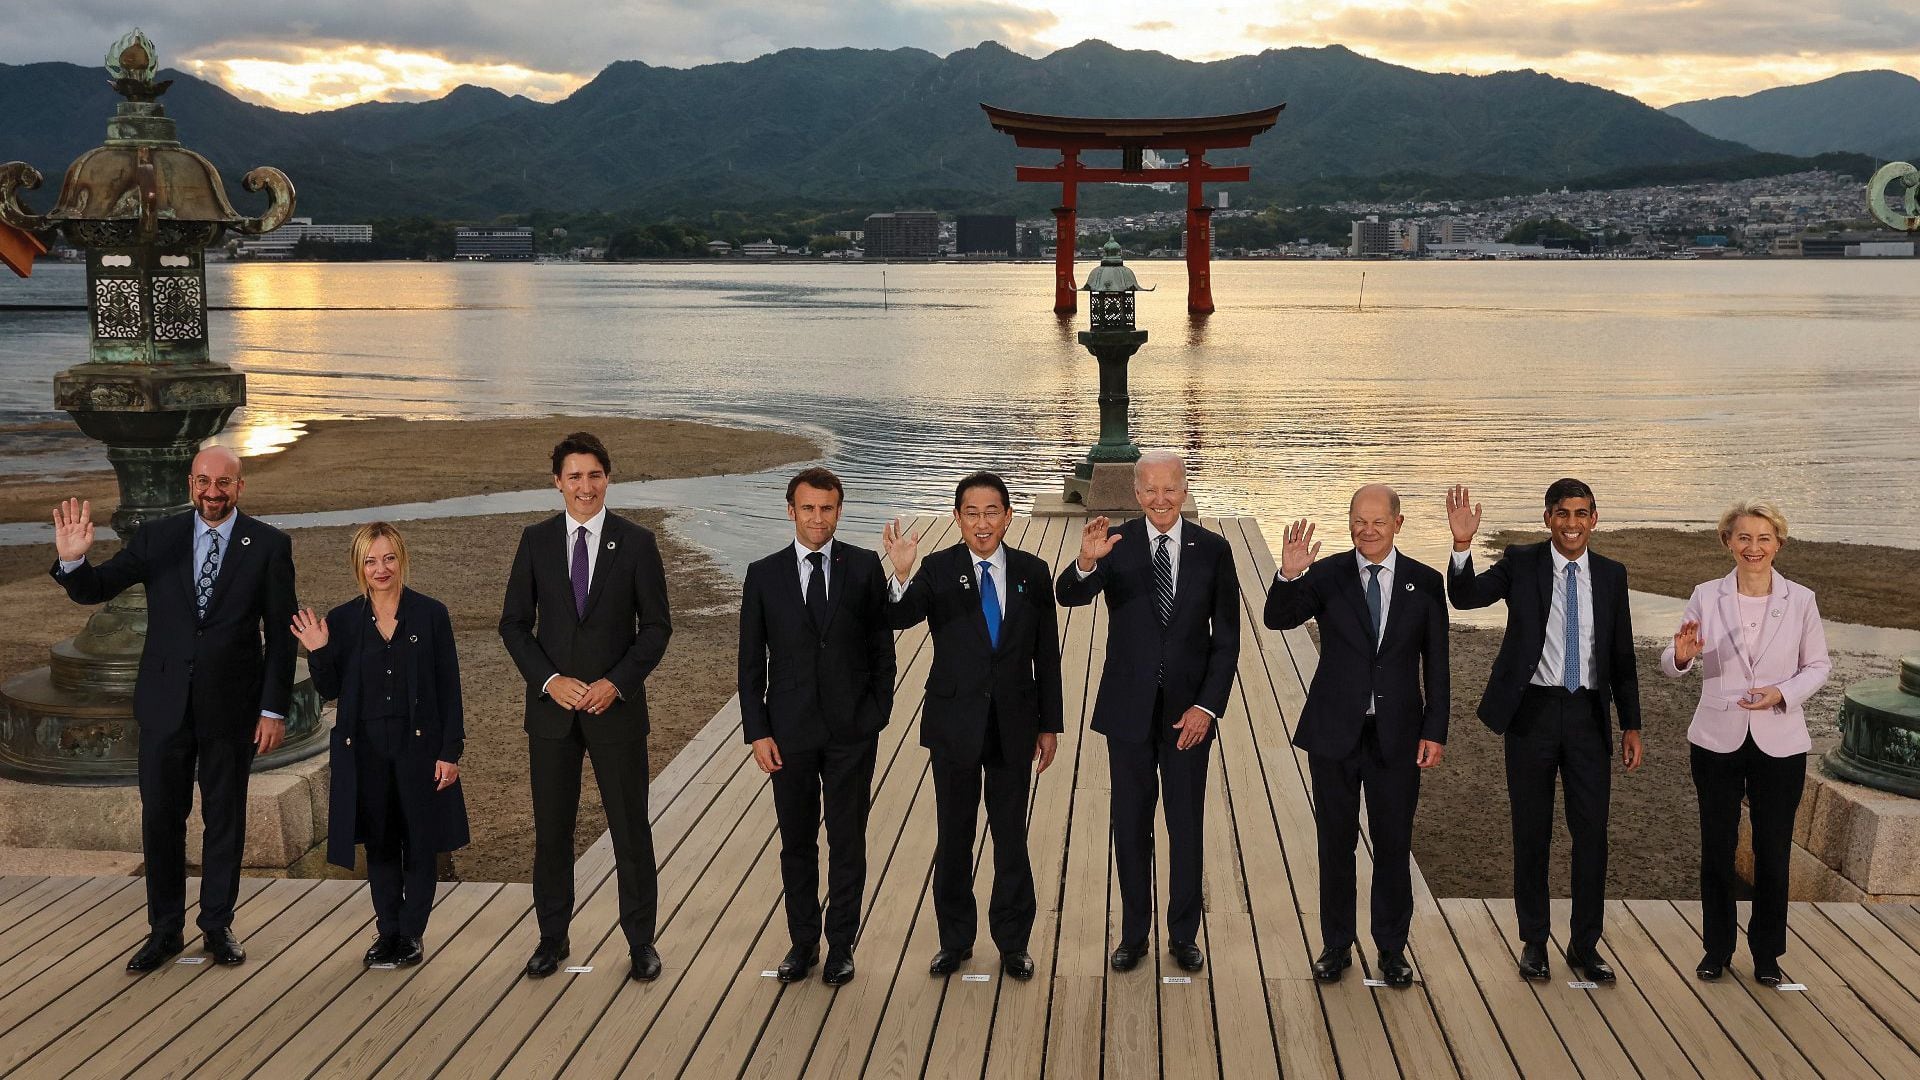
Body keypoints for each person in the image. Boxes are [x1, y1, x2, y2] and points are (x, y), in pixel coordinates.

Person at [49, 446, 296, 973]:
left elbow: (280, 637)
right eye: (204, 481)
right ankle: (164, 931)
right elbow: (96, 588)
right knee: (162, 818)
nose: (212, 492)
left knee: (225, 818)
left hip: (232, 708)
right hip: (163, 706)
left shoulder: (270, 546)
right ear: (190, 482)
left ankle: (216, 926)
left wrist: (273, 710)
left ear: (239, 487)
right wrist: (73, 560)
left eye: (223, 483)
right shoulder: (158, 538)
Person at [1445, 479, 1642, 983]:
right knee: (1531, 833)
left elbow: (1621, 656)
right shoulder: (1521, 562)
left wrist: (1632, 724)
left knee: (1591, 835)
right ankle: (1534, 942)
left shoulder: (1612, 574)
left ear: (1595, 518)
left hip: (1588, 717)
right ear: (1547, 518)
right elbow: (1465, 598)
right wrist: (1462, 545)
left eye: (1581, 514)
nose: (1572, 524)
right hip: (1531, 712)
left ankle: (1584, 945)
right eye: (1562, 514)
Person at [1054, 451, 1238, 974]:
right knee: (1130, 826)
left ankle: (1183, 934)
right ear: (1136, 493)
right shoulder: (1116, 542)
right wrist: (1086, 562)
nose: (1161, 499)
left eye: (1171, 489)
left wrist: (1207, 706)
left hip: (1189, 716)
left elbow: (1226, 641)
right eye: (1150, 490)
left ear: (1184, 490)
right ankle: (1134, 934)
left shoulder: (1213, 551)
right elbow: (1069, 595)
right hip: (1128, 713)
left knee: (1186, 825)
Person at [500, 432, 672, 981]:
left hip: (615, 712)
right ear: (557, 482)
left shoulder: (638, 543)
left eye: (594, 475)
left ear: (607, 478)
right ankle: (552, 939)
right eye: (574, 476)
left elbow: (657, 628)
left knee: (630, 830)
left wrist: (615, 683)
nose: (585, 486)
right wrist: (549, 681)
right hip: (552, 716)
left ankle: (641, 942)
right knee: (552, 831)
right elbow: (513, 625)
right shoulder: (535, 541)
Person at [880, 471, 1062, 981]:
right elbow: (901, 618)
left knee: (1010, 835)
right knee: (954, 833)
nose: (982, 523)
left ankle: (1013, 942)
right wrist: (899, 575)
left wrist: (1050, 725)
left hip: (1014, 723)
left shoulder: (1033, 571)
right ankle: (955, 941)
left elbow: (1046, 655)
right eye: (971, 513)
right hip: (954, 723)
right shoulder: (937, 570)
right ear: (957, 517)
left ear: (1007, 516)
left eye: (991, 513)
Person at [1264, 486, 1448, 986]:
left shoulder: (1426, 583)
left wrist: (1435, 731)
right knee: (1335, 844)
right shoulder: (1327, 575)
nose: (1367, 531)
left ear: (1398, 523)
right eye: (1358, 521)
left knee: (1393, 844)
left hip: (1398, 737)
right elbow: (1277, 618)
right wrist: (1288, 574)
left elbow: (1438, 666)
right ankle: (1336, 946)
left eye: (1377, 522)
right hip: (1334, 733)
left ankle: (1391, 950)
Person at [739, 467, 897, 986]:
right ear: (791, 511)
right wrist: (757, 731)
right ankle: (803, 942)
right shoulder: (763, 574)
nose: (817, 518)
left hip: (853, 731)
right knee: (797, 842)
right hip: (788, 734)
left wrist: (877, 714)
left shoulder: (864, 567)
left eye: (826, 508)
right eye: (808, 508)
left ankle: (841, 946)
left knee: (848, 840)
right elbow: (749, 662)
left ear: (839, 511)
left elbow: (881, 647)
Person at [1660, 501, 1829, 986]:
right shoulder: (1705, 595)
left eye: (1763, 538)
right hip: (1716, 738)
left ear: (1778, 543)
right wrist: (1682, 656)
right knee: (1717, 846)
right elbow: (1672, 664)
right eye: (1743, 538)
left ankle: (1768, 955)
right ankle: (1716, 950)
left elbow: (1818, 667)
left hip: (1781, 741)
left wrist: (1782, 692)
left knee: (1773, 851)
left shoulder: (1801, 599)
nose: (1753, 548)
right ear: (1727, 542)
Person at [293, 522, 470, 968]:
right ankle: (386, 931)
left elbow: (449, 688)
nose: (381, 568)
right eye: (371, 560)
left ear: (402, 558)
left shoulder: (431, 614)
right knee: (380, 843)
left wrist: (451, 751)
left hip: (420, 750)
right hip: (366, 751)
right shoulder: (344, 620)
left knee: (421, 842)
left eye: (388, 558)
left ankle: (411, 934)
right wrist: (317, 650)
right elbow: (331, 688)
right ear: (359, 566)